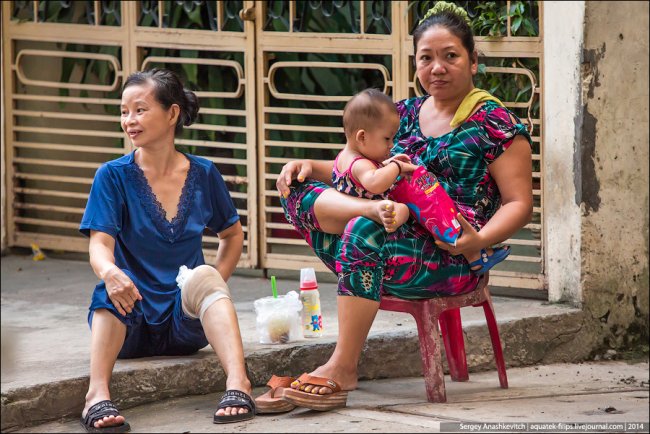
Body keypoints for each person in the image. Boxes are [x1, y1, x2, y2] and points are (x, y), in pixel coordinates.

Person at [269, 1, 533, 412]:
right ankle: (367, 221)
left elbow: (519, 204)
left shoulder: (494, 124)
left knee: (362, 229)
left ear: (473, 61)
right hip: (391, 229)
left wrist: (476, 240)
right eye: (426, 58)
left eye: (450, 56)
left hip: (452, 254)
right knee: (297, 192)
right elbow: (360, 168)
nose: (437, 68)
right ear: (416, 63)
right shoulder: (403, 114)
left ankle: (343, 366)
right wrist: (308, 167)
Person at [79, 68, 255, 432]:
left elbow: (232, 235)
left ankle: (239, 384)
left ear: (172, 114)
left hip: (184, 325)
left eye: (140, 110)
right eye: (124, 111)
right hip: (130, 320)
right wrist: (111, 273)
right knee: (109, 287)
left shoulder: (205, 174)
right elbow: (100, 245)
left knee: (205, 277)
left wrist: (210, 289)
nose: (130, 120)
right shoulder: (111, 176)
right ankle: (96, 395)